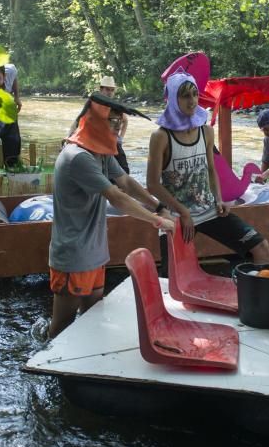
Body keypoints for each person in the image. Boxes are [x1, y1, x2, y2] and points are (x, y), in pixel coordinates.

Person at [48, 92, 175, 339]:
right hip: (74, 255)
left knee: (91, 322)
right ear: (94, 121)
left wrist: (157, 206)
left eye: (120, 121)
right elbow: (116, 196)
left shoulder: (101, 152)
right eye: (112, 121)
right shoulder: (78, 157)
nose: (118, 127)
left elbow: (125, 181)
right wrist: (157, 221)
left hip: (95, 250)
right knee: (60, 330)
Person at [147, 71, 269, 269]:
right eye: (185, 96)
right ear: (173, 99)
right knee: (174, 275)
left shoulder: (206, 131)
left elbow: (210, 170)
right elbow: (153, 184)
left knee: (261, 247)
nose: (192, 101)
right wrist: (183, 212)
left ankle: (265, 297)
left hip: (210, 210)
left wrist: (218, 199)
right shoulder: (161, 136)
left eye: (195, 94)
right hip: (176, 216)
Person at [98, 75, 129, 173]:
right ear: (101, 89)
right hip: (98, 143)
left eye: (112, 90)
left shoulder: (114, 106)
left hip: (114, 143)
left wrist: (120, 138)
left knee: (124, 170)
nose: (110, 93)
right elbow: (80, 121)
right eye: (108, 90)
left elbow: (125, 120)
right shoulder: (94, 104)